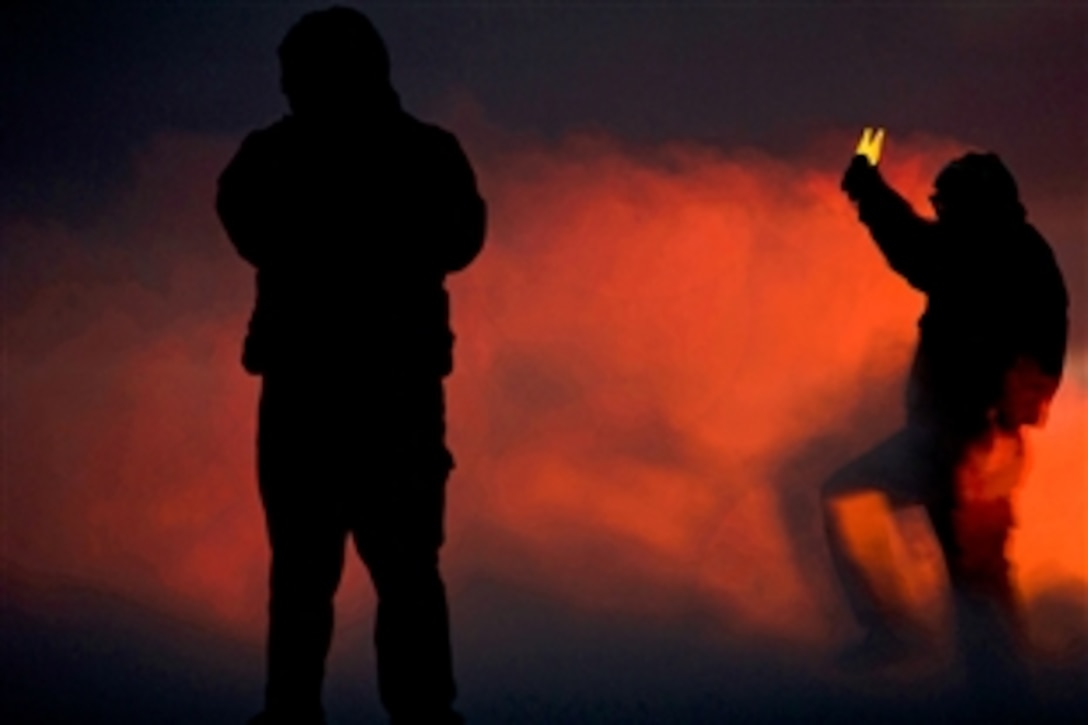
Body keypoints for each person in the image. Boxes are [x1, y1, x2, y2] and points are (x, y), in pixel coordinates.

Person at [216, 7, 486, 724]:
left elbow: (243, 219)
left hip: (323, 396)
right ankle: (412, 714)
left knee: (326, 575)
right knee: (394, 574)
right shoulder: (426, 155)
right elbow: (461, 237)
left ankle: (305, 713)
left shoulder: (276, 158)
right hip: (387, 396)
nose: (287, 89)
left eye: (296, 74)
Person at [823, 150, 1068, 684]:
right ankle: (988, 675)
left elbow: (916, 250)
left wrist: (868, 192)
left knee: (973, 575)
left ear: (976, 204)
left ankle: (993, 684)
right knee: (970, 572)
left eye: (947, 202)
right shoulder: (1012, 251)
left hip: (971, 442)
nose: (941, 211)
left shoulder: (995, 253)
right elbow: (920, 248)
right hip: (955, 438)